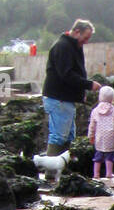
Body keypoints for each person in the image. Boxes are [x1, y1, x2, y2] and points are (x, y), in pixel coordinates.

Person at [42, 19, 100, 155]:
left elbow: (73, 73)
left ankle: (60, 171)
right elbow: (66, 74)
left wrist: (81, 91)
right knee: (59, 136)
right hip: (58, 98)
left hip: (64, 98)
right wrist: (88, 85)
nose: (86, 41)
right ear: (77, 32)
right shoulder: (63, 46)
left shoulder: (73, 46)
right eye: (85, 38)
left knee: (67, 136)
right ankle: (51, 173)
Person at [88, 85, 114, 181]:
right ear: (113, 98)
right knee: (110, 156)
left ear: (99, 97)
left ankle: (96, 174)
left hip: (99, 137)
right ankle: (109, 173)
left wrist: (91, 136)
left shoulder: (95, 111)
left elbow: (92, 125)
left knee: (98, 156)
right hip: (111, 137)